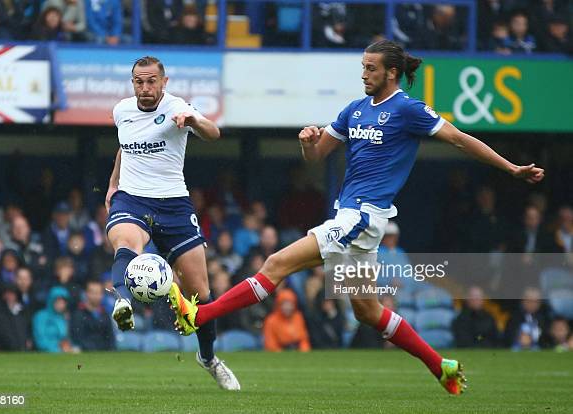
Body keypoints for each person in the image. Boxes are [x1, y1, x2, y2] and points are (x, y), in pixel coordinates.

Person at [168, 39, 545, 395]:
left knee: (276, 262)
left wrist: (510, 168)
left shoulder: (408, 110)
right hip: (352, 218)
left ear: (392, 73)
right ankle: (440, 366)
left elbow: (461, 139)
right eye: (362, 68)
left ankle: (199, 316)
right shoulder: (354, 110)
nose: (364, 74)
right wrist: (306, 143)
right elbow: (316, 157)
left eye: (371, 69)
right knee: (367, 311)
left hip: (362, 218)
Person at [104, 56, 239, 390]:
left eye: (152, 82)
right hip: (132, 199)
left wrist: (192, 117)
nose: (145, 88)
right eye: (139, 82)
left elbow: (214, 132)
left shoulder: (179, 107)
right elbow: (125, 146)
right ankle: (123, 300)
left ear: (164, 82)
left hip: (174, 206)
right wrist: (112, 184)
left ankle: (208, 357)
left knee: (202, 295)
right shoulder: (122, 110)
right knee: (125, 243)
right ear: (132, 82)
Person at [70, 280, 114, 351]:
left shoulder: (104, 314)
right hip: (84, 353)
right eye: (93, 293)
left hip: (104, 355)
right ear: (87, 293)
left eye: (98, 293)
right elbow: (77, 338)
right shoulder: (78, 314)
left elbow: (110, 338)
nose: (95, 296)